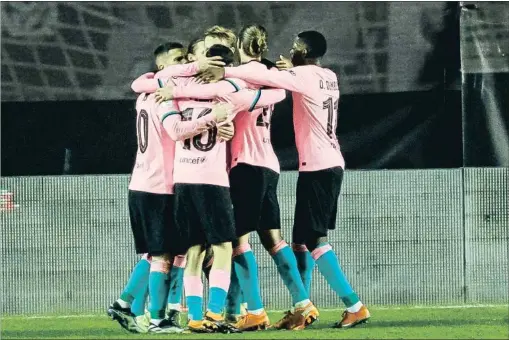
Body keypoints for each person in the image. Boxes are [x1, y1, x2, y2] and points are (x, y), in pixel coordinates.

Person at [198, 30, 371, 329]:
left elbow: (274, 81)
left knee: (310, 239)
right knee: (299, 240)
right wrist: (282, 70)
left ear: (303, 52)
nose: (289, 52)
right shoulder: (326, 74)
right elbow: (279, 83)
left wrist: (223, 72)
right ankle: (301, 306)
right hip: (316, 163)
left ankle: (353, 305)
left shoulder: (292, 77)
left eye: (293, 48)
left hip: (307, 165)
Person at [156, 24, 317, 332]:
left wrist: (177, 91)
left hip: (242, 166)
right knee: (272, 239)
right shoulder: (265, 77)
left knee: (232, 243)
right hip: (268, 164)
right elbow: (281, 91)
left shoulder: (236, 79)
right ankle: (300, 301)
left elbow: (214, 97)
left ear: (236, 49)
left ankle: (248, 309)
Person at [107, 42, 234, 334]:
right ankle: (153, 317)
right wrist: (212, 117)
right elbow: (178, 131)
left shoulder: (147, 91)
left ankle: (130, 305)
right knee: (163, 254)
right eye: (179, 60)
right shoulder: (160, 95)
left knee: (162, 253)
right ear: (164, 67)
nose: (188, 63)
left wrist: (223, 126)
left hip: (147, 181)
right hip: (158, 183)